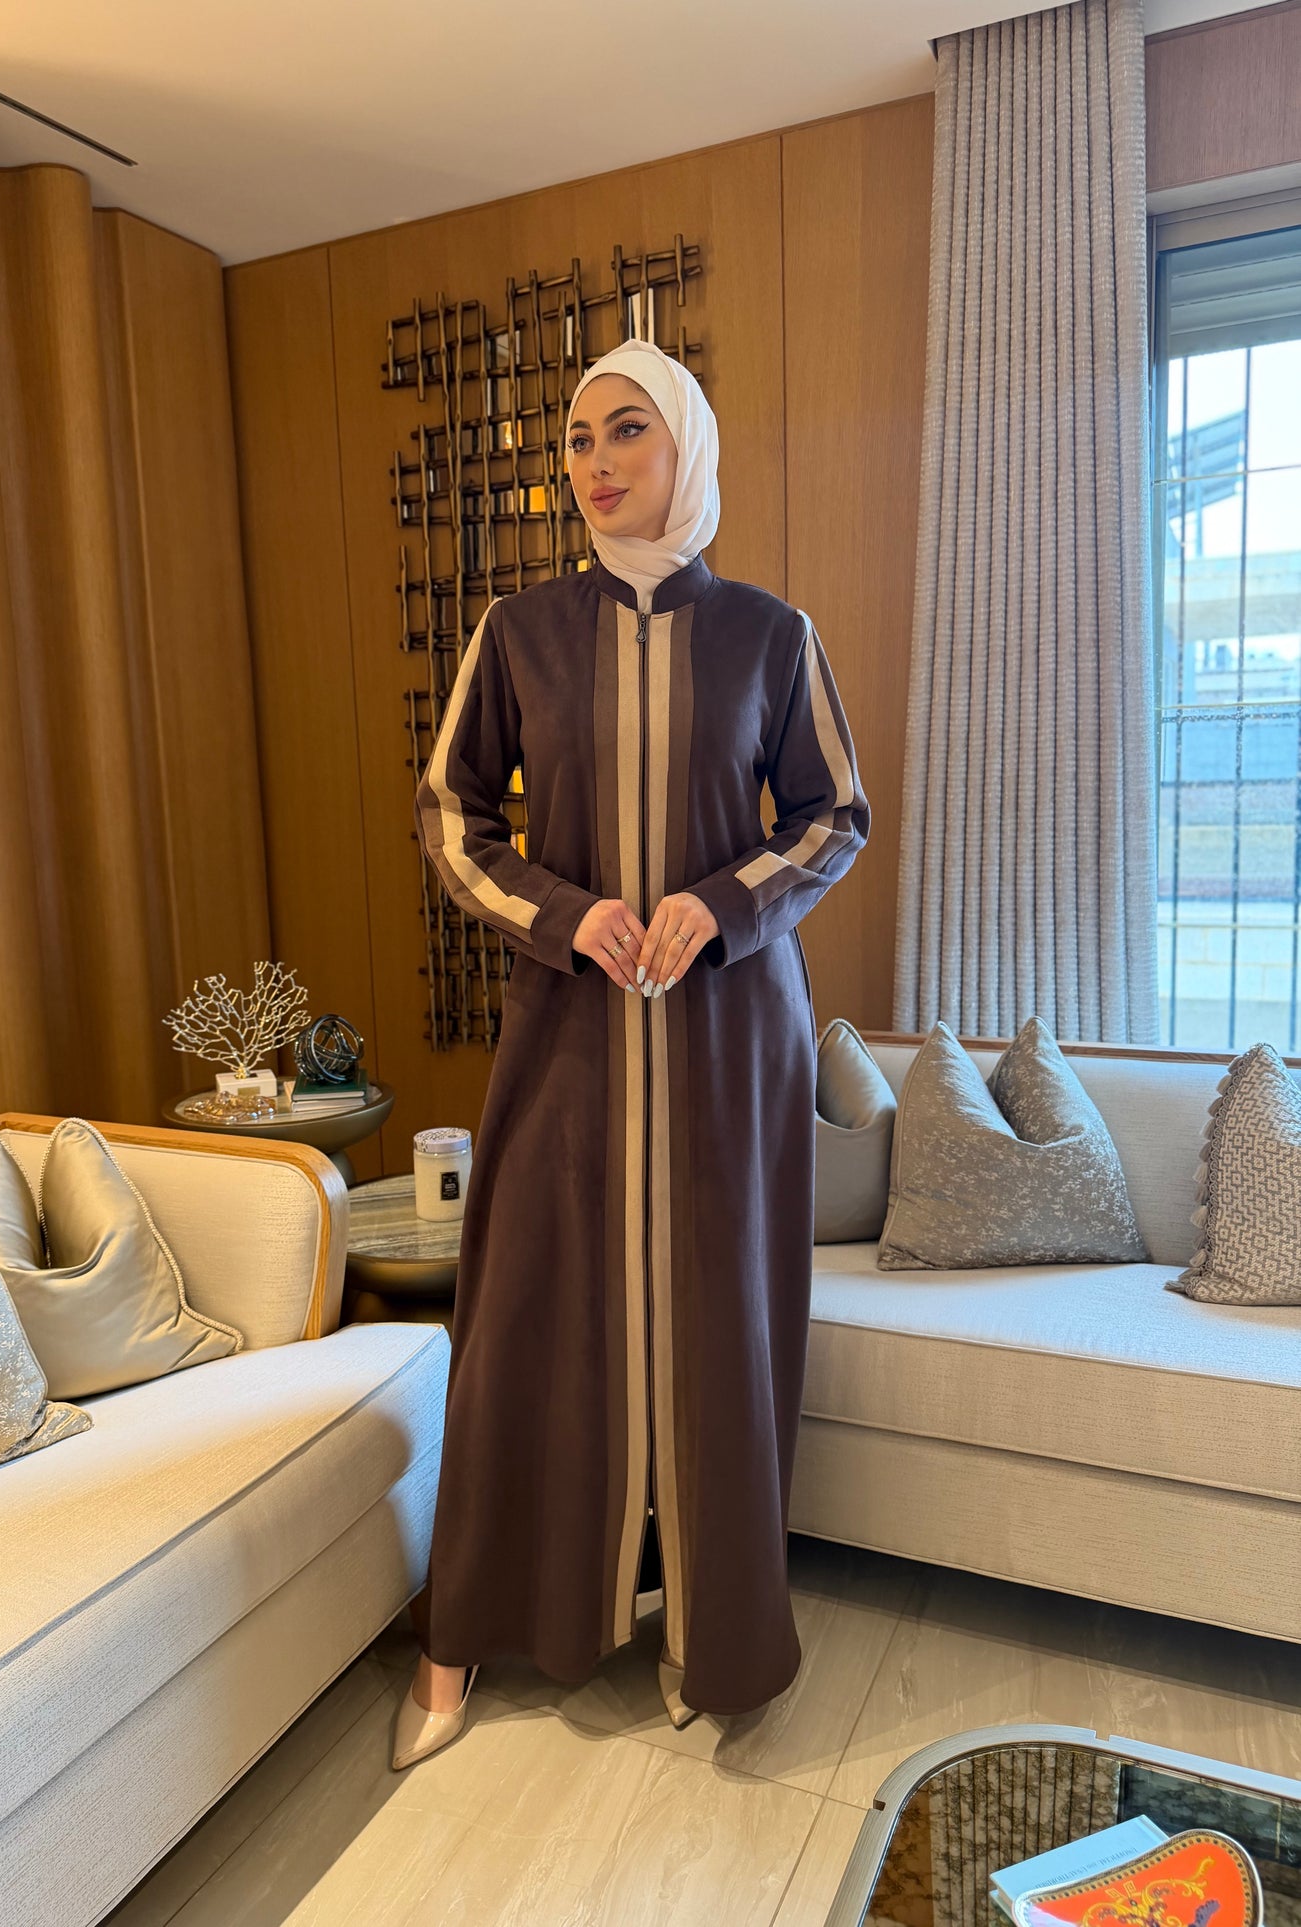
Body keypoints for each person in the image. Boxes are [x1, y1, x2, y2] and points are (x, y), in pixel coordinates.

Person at [395, 334, 870, 1771]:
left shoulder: (772, 636)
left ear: (685, 450)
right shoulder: (518, 631)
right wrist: (569, 914)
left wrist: (719, 905)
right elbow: (451, 819)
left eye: (627, 433)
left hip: (729, 1036)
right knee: (526, 1314)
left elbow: (833, 817)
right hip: (569, 1031)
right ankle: (472, 1634)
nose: (595, 464)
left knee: (718, 1324)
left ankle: (705, 1639)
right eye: (578, 440)